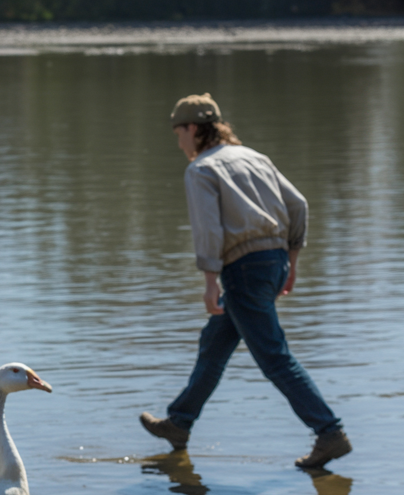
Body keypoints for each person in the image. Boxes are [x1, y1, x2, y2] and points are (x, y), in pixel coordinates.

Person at [140, 93, 351, 469]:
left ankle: (329, 431)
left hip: (244, 269)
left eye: (178, 134)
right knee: (216, 341)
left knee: (274, 357)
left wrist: (209, 282)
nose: (179, 143)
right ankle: (180, 423)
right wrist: (292, 262)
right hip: (273, 262)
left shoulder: (201, 169)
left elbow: (208, 229)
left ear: (192, 129)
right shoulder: (256, 157)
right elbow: (298, 204)